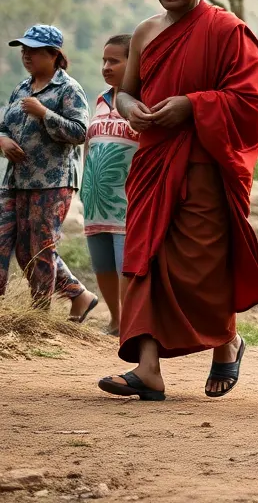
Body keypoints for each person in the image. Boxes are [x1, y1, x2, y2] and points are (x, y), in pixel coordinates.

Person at [97, 0, 258, 402]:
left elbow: (253, 98)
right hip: (153, 162)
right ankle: (148, 369)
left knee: (202, 269)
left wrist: (192, 106)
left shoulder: (227, 31)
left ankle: (226, 343)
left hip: (202, 167)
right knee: (144, 257)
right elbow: (125, 92)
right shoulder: (145, 32)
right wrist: (133, 109)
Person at [0, 24, 97, 319]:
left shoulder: (69, 89)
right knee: (8, 241)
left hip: (52, 181)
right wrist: (2, 140)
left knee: (40, 249)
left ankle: (38, 315)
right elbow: (4, 126)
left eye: (33, 50)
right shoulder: (21, 88)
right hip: (16, 179)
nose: (26, 55)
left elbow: (80, 132)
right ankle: (79, 294)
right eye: (24, 50)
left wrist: (44, 113)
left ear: (53, 54)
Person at [81, 34, 139, 335]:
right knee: (102, 264)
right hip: (95, 200)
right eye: (104, 60)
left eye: (114, 61)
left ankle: (131, 323)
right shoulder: (100, 100)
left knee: (124, 266)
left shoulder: (142, 102)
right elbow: (89, 144)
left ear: (134, 62)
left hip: (127, 200)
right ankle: (115, 320)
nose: (106, 66)